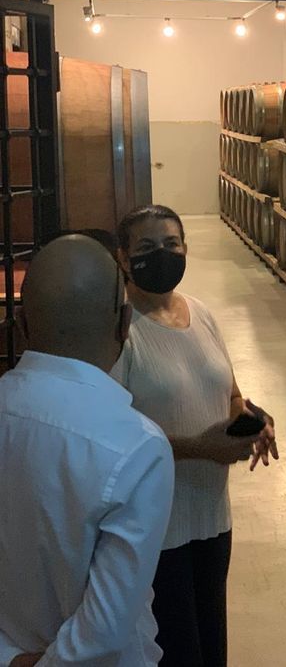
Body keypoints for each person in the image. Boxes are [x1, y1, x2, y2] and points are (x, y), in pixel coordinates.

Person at [112, 204, 278, 667]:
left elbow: (231, 394)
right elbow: (114, 441)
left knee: (211, 643)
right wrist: (200, 449)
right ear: (123, 258)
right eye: (146, 248)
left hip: (211, 514)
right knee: (176, 649)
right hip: (155, 524)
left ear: (186, 248)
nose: (161, 255)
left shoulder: (201, 313)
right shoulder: (120, 331)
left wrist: (253, 419)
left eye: (171, 244)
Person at [0, 235, 175, 666]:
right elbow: (106, 629)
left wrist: (11, 658)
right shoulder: (138, 447)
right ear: (124, 323)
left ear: (21, 323)